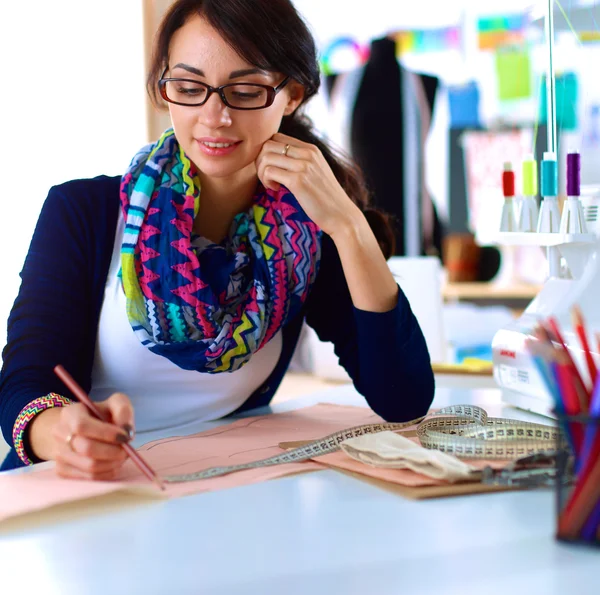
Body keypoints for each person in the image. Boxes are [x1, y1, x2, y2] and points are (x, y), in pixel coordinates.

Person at [0, 0, 434, 476]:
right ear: (164, 91)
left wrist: (347, 226)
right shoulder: (83, 211)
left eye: (245, 91)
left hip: (222, 496)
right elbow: (25, 385)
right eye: (189, 88)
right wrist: (63, 432)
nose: (214, 116)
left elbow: (403, 399)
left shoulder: (303, 236)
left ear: (291, 94)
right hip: (81, 498)